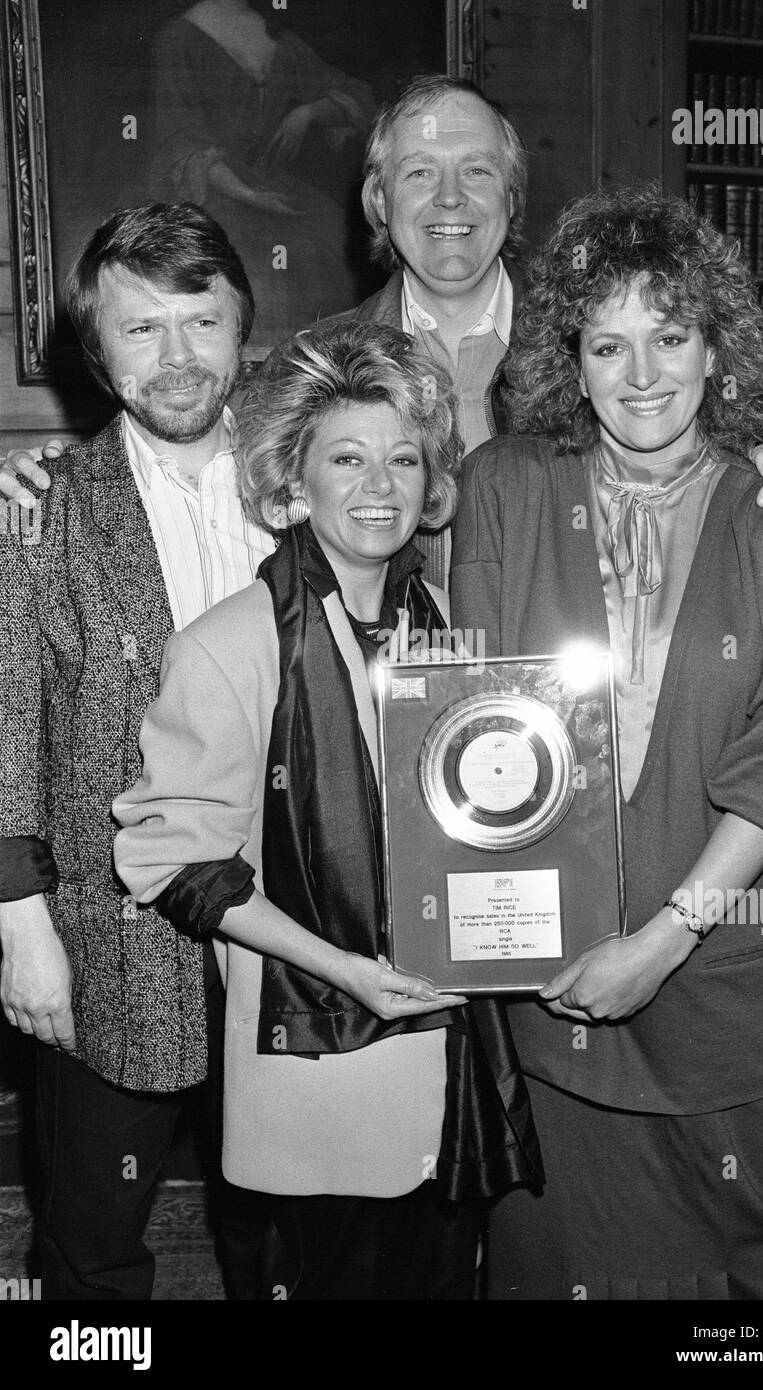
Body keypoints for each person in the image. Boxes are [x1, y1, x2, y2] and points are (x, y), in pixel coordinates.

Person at [450, 186, 763, 1300]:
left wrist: (662, 942)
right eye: (608, 342)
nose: (641, 374)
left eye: (670, 337)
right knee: (552, 1268)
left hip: (718, 979)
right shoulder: (502, 489)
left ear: (716, 350)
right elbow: (462, 716)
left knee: (750, 1282)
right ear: (566, 362)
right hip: (549, 976)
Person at [112, 321, 540, 1301]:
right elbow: (172, 861)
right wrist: (348, 970)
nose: (380, 484)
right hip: (313, 1065)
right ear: (293, 479)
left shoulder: (445, 629)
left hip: (446, 1057)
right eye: (346, 457)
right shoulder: (233, 644)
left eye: (403, 457)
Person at [2, 77, 763, 558]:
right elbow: (188, 436)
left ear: (511, 195)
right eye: (418, 174)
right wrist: (42, 473)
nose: (449, 199)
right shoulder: (315, 361)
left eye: (476, 171)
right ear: (378, 196)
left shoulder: (600, 347)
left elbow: (699, 461)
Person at [0, 203, 283, 1299]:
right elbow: (7, 724)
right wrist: (21, 930)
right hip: (112, 945)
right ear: (95, 351)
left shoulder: (315, 478)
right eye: (140, 329)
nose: (177, 358)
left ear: (242, 326)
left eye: (200, 322)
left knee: (281, 1230)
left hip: (291, 925)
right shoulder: (43, 511)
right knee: (92, 1246)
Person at [150, 0, 375, 345]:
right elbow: (181, 140)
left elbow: (357, 95)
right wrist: (248, 195)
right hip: (213, 193)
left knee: (336, 246)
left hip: (270, 182)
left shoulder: (278, 37)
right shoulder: (178, 38)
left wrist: (307, 113)